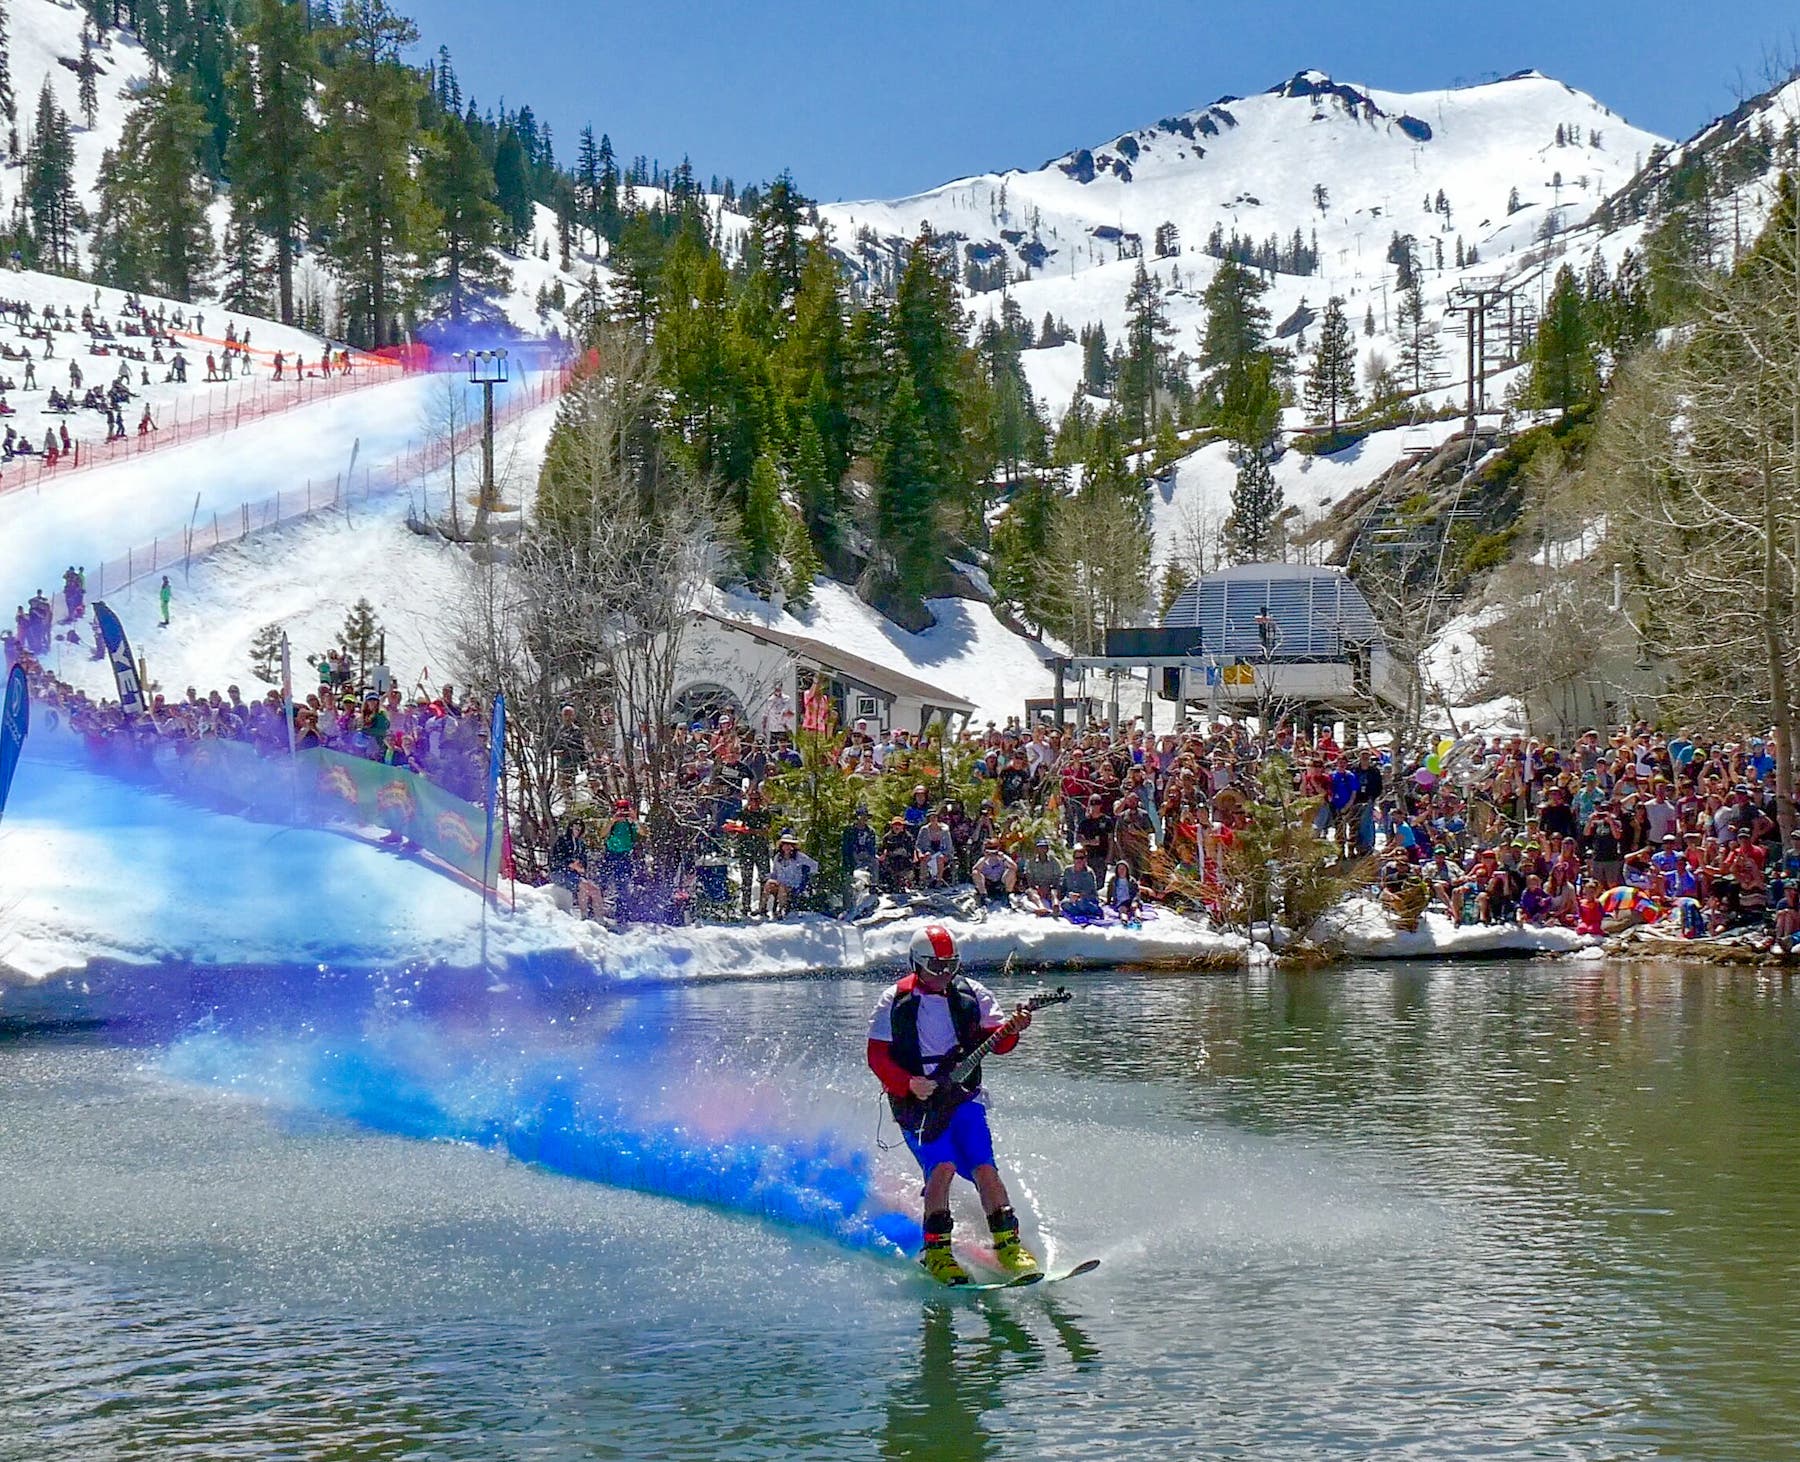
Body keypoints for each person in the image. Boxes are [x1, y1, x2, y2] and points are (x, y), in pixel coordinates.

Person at [866, 926, 1038, 1285]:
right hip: (919, 1102)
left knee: (983, 1165)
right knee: (941, 1167)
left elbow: (999, 1044)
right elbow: (877, 1057)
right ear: (916, 963)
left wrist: (1014, 1029)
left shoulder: (973, 994)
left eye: (950, 966)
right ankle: (937, 1251)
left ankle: (1008, 1243)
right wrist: (908, 1083)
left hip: (964, 1095)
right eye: (934, 966)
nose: (943, 974)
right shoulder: (893, 1000)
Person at [762, 831, 818, 917]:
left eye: (789, 844)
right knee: (769, 883)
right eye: (785, 844)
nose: (787, 846)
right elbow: (775, 872)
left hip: (793, 884)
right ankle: (762, 908)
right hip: (780, 882)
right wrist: (767, 877)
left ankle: (781, 910)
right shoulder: (778, 857)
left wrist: (806, 875)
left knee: (782, 887)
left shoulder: (799, 856)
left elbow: (814, 865)